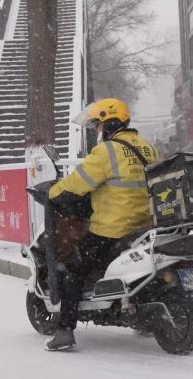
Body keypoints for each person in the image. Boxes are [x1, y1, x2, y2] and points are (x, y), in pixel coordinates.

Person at [45, 98, 159, 351]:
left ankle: (64, 331)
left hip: (111, 229)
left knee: (74, 270)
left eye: (97, 126)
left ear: (110, 123)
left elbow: (78, 182)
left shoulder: (107, 151)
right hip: (143, 227)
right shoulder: (148, 148)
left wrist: (53, 192)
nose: (96, 131)